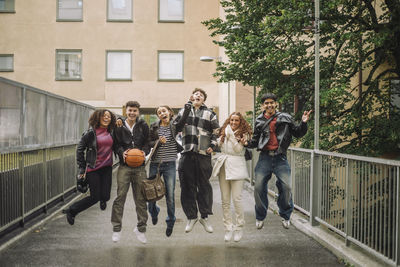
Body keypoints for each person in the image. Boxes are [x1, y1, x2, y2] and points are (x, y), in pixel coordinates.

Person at [246, 93, 312, 229]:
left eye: (271, 102)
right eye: (266, 103)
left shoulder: (285, 117)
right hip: (264, 157)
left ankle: (285, 215)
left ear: (276, 104)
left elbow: (298, 133)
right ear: (262, 105)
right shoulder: (259, 120)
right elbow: (255, 141)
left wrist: (304, 122)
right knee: (258, 186)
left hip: (280, 157)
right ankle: (260, 216)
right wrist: (245, 143)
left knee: (286, 187)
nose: (269, 105)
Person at [174, 88, 219, 233]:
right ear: (191, 97)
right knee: (187, 186)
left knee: (204, 186)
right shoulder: (183, 112)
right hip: (187, 153)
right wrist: (186, 110)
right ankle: (191, 216)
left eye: (201, 95)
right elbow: (176, 128)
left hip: (203, 154)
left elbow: (217, 133)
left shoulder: (210, 114)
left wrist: (212, 145)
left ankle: (204, 217)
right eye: (196, 94)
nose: (198, 96)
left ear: (204, 99)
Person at [64, 109, 117, 225]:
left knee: (106, 196)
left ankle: (103, 199)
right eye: (104, 116)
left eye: (109, 116)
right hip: (93, 169)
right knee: (94, 197)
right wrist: (82, 168)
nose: (107, 118)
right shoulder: (90, 133)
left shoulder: (112, 132)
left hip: (107, 168)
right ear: (97, 118)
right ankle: (72, 211)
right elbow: (80, 150)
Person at [111, 101, 150, 244]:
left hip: (139, 167)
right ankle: (116, 229)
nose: (132, 113)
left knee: (141, 199)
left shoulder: (143, 125)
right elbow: (115, 144)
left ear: (138, 112)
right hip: (124, 166)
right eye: (130, 110)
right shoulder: (118, 125)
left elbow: (148, 142)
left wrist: (143, 152)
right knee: (120, 197)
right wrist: (123, 153)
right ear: (125, 111)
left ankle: (141, 229)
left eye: (134, 110)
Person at [212, 112, 252, 242]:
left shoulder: (244, 134)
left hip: (237, 166)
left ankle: (239, 227)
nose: (234, 123)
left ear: (241, 122)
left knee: (237, 199)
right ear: (229, 121)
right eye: (232, 120)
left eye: (237, 120)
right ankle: (228, 228)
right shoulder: (224, 132)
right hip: (224, 166)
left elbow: (238, 150)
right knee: (225, 200)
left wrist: (231, 136)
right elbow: (217, 145)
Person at [147, 105, 183, 237]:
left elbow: (183, 119)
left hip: (170, 164)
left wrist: (188, 106)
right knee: (150, 193)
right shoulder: (154, 126)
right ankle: (154, 211)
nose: (162, 113)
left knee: (170, 194)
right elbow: (148, 143)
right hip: (155, 164)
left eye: (164, 111)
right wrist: (158, 141)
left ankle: (171, 221)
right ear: (158, 116)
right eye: (159, 112)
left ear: (169, 113)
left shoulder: (175, 125)